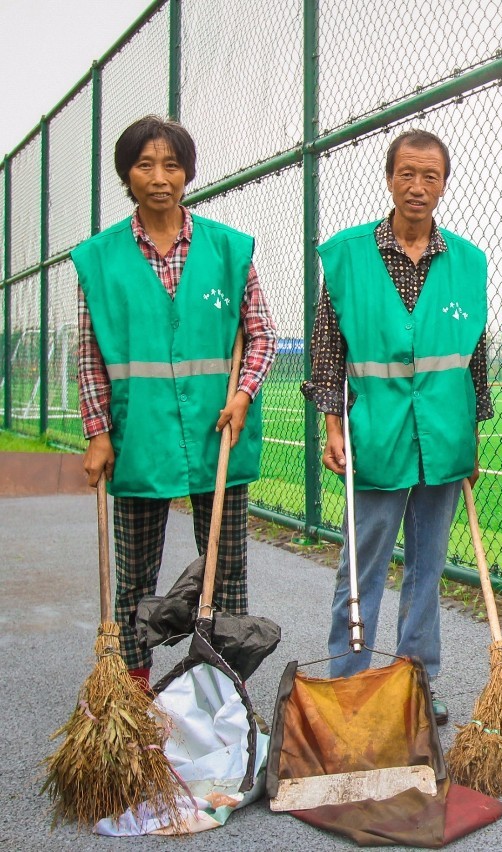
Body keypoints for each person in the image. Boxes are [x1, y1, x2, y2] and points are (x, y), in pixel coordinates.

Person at [73, 115, 278, 690]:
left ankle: (223, 689)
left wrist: (242, 395)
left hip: (220, 433)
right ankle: (133, 690)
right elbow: (91, 354)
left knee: (226, 569)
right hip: (141, 434)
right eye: (145, 165)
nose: (159, 177)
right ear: (127, 176)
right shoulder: (100, 259)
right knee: (135, 571)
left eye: (171, 165)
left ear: (188, 173)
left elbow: (259, 334)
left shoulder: (228, 250)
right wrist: (97, 432)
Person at [301, 129, 490, 725]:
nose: (418, 186)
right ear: (389, 179)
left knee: (428, 567)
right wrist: (333, 423)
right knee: (362, 564)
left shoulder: (468, 261)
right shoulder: (349, 255)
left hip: (443, 435)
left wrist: (471, 436)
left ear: (443, 185)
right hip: (376, 432)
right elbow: (328, 348)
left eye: (430, 176)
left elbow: (473, 356)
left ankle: (416, 683)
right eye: (407, 174)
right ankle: (350, 685)